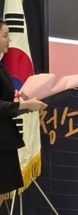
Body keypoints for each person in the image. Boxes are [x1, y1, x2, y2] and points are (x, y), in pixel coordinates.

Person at [0, 20, 46, 202]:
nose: (9, 40)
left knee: (3, 193)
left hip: (5, 140)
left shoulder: (1, 66)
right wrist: (25, 106)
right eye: (5, 35)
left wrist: (23, 102)